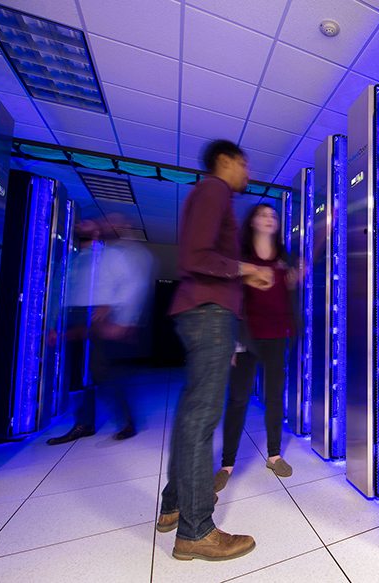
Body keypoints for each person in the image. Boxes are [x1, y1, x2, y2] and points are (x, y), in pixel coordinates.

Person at [156, 140, 273, 562]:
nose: (248, 171)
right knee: (202, 417)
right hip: (208, 312)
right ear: (225, 161)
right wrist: (249, 269)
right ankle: (196, 531)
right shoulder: (213, 191)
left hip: (206, 314)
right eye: (244, 162)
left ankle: (173, 506)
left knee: (193, 415)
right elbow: (196, 256)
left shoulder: (211, 194)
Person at [213, 204, 302, 493]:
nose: (269, 218)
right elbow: (228, 298)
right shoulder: (240, 257)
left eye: (273, 216)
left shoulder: (282, 259)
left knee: (275, 396)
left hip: (277, 335)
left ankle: (274, 456)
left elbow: (287, 294)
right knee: (238, 399)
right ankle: (227, 464)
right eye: (263, 214)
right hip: (245, 336)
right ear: (251, 221)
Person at [47, 218, 154, 445]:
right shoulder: (71, 258)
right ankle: (85, 423)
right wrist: (54, 323)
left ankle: (124, 421)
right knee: (79, 374)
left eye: (86, 224)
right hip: (72, 316)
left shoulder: (111, 255)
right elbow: (57, 290)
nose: (80, 226)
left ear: (96, 232)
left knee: (103, 373)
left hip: (99, 318)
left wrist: (114, 309)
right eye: (79, 224)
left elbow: (133, 284)